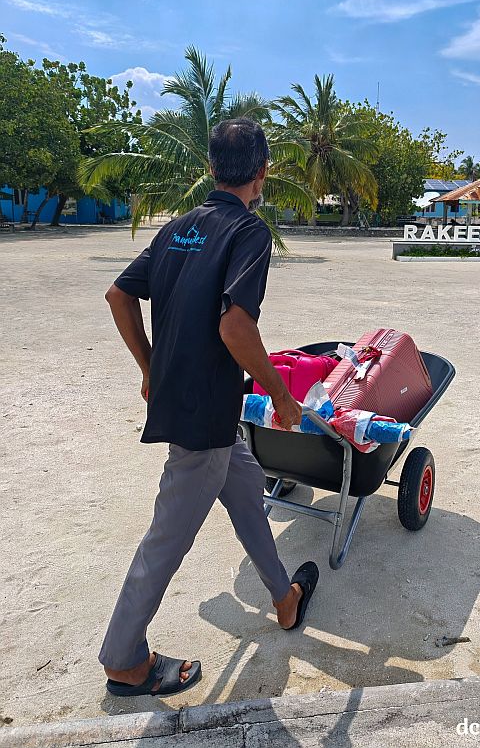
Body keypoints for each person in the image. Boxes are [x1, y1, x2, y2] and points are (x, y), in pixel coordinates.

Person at [98, 118, 319, 698]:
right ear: (262, 172)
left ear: (211, 167)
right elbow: (235, 326)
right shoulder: (248, 231)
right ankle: (124, 658)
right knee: (167, 537)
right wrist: (280, 394)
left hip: (203, 412)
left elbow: (119, 294)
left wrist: (151, 367)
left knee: (245, 488)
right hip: (204, 419)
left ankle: (284, 598)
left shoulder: (178, 228)